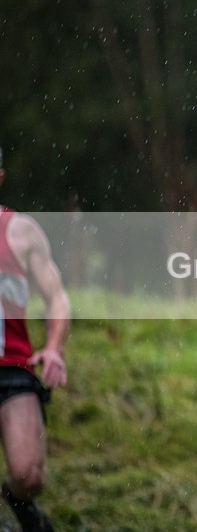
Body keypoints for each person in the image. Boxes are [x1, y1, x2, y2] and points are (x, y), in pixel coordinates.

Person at [0, 147, 71, 532]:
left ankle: (16, 499)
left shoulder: (20, 230)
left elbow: (57, 297)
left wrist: (54, 348)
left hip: (12, 368)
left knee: (30, 476)